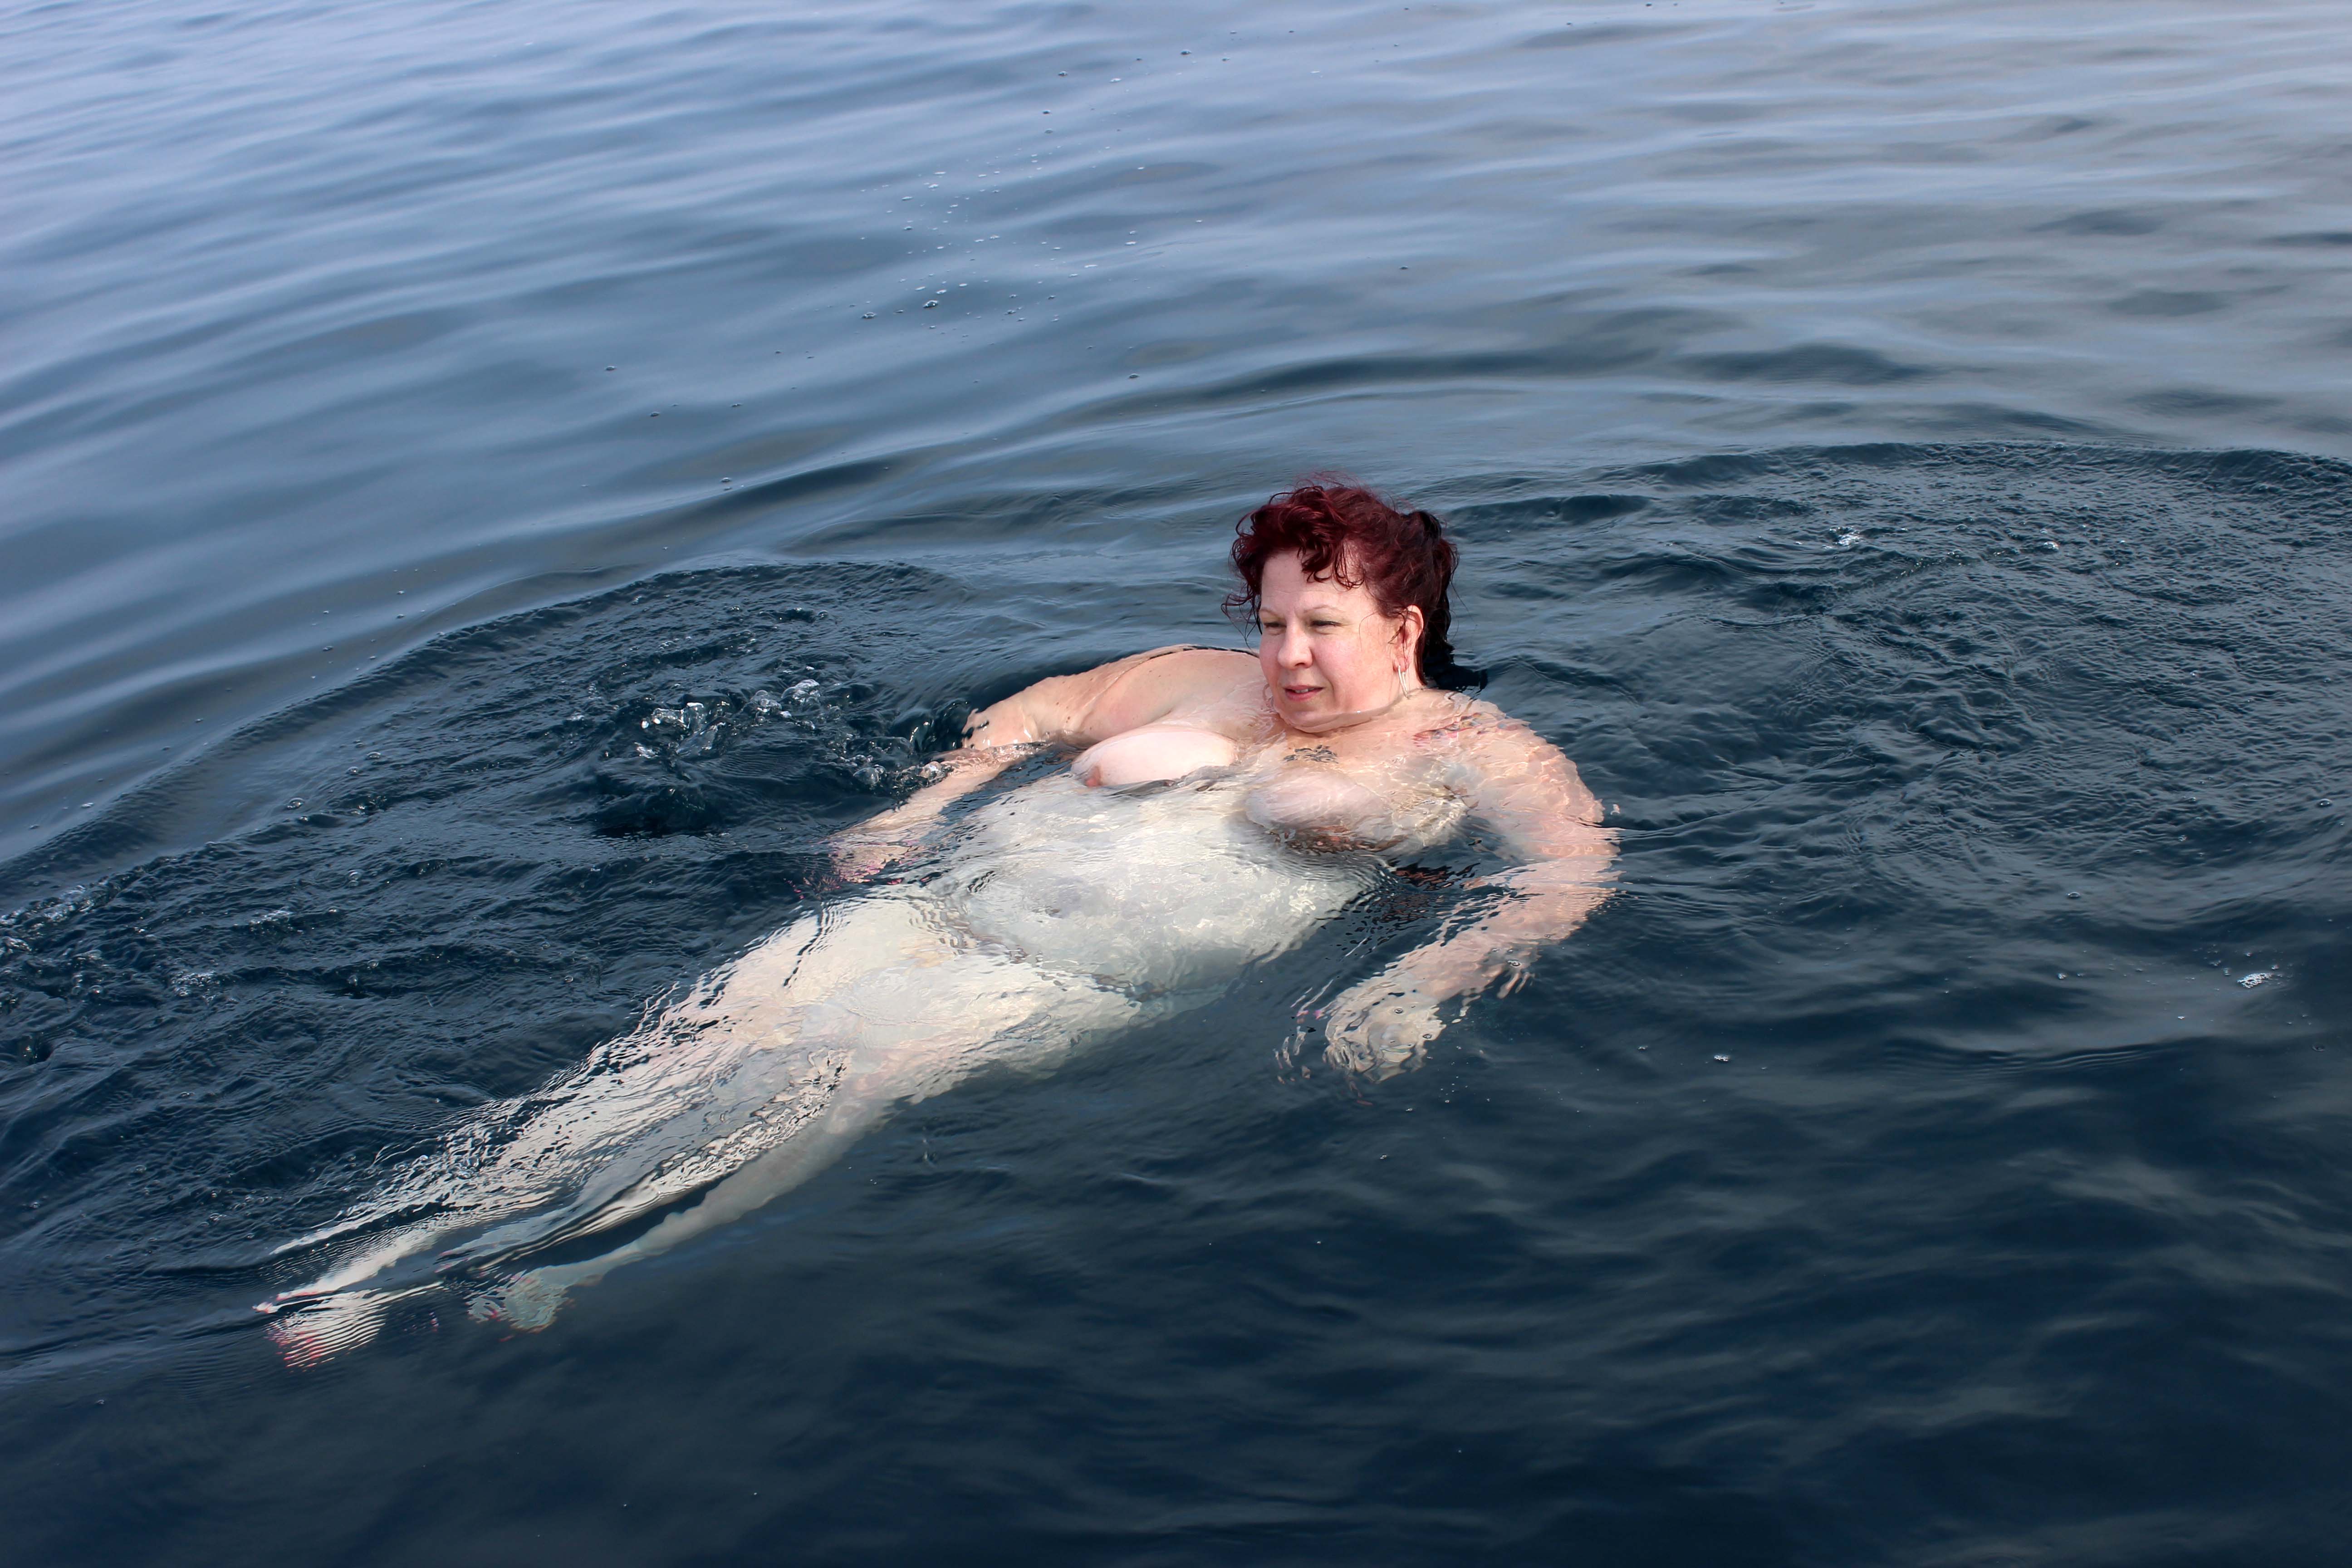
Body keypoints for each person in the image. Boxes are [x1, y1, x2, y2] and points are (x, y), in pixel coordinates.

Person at [257, 481, 1615, 1364]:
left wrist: (1428, 980)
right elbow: (1034, 714)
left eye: (1323, 625)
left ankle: (560, 1264)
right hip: (936, 909)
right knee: (682, 1045)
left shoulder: (1471, 754)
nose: (1289, 656)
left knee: (834, 1081)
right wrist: (925, 804)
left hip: (1067, 976)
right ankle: (373, 1255)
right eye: (1271, 623)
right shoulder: (1194, 680)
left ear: (1404, 627)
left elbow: (1571, 876)